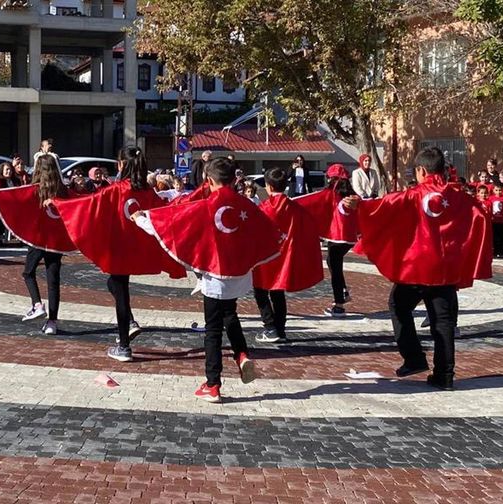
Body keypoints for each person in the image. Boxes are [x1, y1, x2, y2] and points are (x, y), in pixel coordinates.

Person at [133, 157, 280, 403]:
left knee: (212, 329)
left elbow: (173, 225)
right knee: (229, 314)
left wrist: (140, 219)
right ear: (234, 179)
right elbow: (267, 229)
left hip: (214, 274)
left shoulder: (205, 206)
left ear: (209, 180)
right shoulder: (246, 205)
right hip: (239, 273)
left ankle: (213, 384)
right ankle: (242, 354)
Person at [346, 147, 492, 391]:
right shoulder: (459, 196)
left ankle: (413, 358)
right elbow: (480, 214)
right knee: (443, 322)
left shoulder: (413, 195)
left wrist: (359, 206)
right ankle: (445, 375)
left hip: (418, 266)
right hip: (445, 268)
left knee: (399, 306)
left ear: (422, 170)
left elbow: (383, 208)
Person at [55, 147, 186, 362]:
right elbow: (162, 211)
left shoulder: (116, 190)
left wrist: (60, 204)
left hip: (119, 248)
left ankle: (124, 345)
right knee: (116, 287)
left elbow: (87, 205)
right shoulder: (147, 191)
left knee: (121, 292)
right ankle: (129, 328)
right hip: (139, 247)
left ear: (122, 165)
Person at [253, 167, 323, 343]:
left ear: (268, 186)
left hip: (265, 258)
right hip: (285, 257)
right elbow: (309, 227)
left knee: (260, 292)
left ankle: (270, 327)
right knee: (278, 293)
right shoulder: (295, 208)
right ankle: (280, 329)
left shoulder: (263, 208)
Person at [297, 163, 359, 317]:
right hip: (350, 237)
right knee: (333, 263)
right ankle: (343, 292)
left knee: (335, 268)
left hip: (338, 237)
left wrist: (287, 201)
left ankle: (339, 304)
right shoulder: (353, 195)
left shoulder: (330, 194)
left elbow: (308, 201)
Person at [18, 155, 69, 334]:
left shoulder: (35, 189)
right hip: (56, 240)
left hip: (38, 238)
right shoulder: (63, 190)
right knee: (53, 279)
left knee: (28, 272)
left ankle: (37, 304)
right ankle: (52, 323)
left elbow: (15, 200)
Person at [488, 182, 503, 258]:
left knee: (501, 236)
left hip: (502, 221)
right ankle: (494, 251)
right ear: (493, 190)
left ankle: (500, 251)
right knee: (494, 236)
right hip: (493, 220)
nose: (498, 192)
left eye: (500, 190)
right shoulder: (491, 198)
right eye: (496, 190)